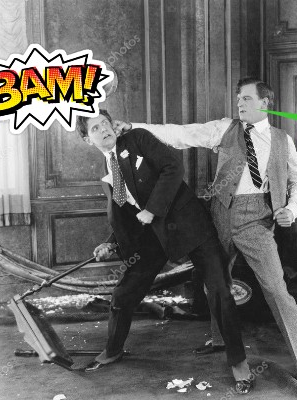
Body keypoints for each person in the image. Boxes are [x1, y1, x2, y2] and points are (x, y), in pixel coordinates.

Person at [113, 77, 297, 391]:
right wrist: (133, 127)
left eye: (247, 98)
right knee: (214, 280)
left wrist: (291, 210)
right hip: (220, 213)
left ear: (265, 102)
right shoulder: (225, 128)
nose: (240, 103)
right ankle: (219, 338)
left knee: (278, 291)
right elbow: (180, 134)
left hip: (258, 220)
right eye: (238, 99)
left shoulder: (283, 140)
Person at [75, 109, 254, 394]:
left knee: (220, 290)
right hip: (153, 237)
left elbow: (173, 168)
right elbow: (126, 212)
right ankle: (113, 350)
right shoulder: (107, 171)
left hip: (190, 225)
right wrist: (111, 242)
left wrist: (151, 210)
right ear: (87, 139)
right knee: (123, 293)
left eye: (105, 123)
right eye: (95, 128)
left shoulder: (138, 139)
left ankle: (239, 363)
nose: (104, 130)